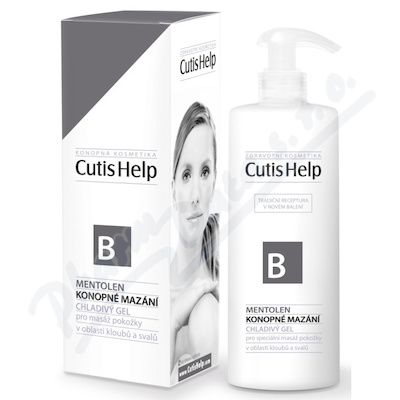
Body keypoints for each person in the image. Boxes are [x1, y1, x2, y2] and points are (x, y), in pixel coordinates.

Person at [170, 102, 219, 375]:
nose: (196, 196)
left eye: (205, 172)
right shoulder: (154, 294)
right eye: (187, 175)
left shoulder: (227, 257)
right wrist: (173, 321)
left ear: (215, 181)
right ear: (173, 188)